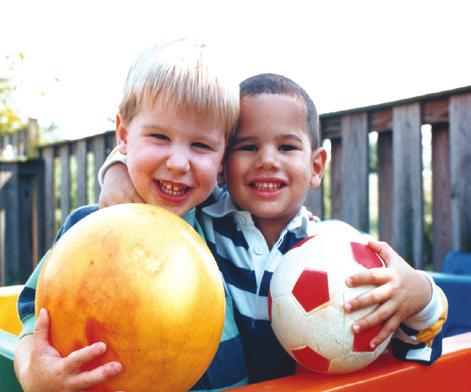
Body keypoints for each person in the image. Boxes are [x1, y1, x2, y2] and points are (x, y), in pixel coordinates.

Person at [98, 73, 448, 383]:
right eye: (248, 146)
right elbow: (159, 168)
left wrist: (420, 295)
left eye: (286, 147)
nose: (267, 159)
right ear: (221, 164)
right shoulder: (200, 218)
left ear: (316, 165)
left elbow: (414, 346)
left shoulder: (341, 254)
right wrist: (118, 168)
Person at [15, 38, 248, 392]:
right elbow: (35, 317)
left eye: (201, 145)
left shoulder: (222, 225)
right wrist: (34, 373)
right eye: (159, 136)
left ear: (221, 159)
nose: (178, 162)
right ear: (123, 134)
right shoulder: (90, 230)